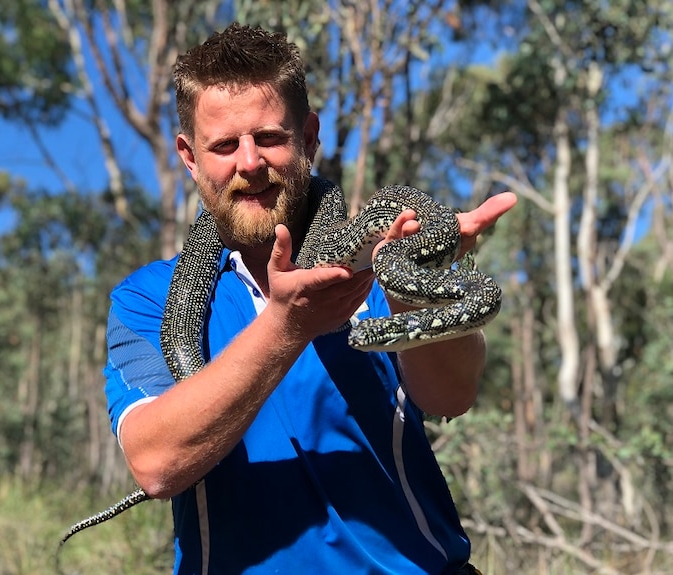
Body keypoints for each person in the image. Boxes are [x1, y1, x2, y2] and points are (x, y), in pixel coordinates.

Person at [104, 23, 516, 575]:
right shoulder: (146, 299)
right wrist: (287, 325)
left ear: (310, 136)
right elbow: (155, 464)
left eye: (270, 137)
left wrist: (414, 273)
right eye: (224, 145)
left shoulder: (374, 265)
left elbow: (450, 396)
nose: (249, 163)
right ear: (189, 155)